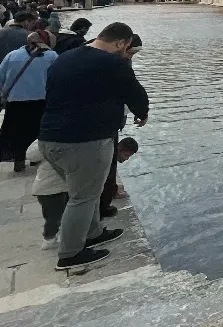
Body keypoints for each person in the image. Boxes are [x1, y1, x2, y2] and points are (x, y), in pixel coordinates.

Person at [39, 22, 149, 271]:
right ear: (121, 43)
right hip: (83, 142)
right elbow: (135, 94)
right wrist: (142, 114)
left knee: (83, 193)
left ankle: (94, 232)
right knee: (83, 197)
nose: (126, 52)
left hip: (49, 139)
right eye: (126, 47)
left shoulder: (65, 58)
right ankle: (70, 254)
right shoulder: (112, 63)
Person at [34, 137, 139, 252]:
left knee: (62, 213)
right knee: (56, 216)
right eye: (127, 156)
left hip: (62, 186)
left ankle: (65, 240)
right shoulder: (66, 147)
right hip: (51, 189)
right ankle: (60, 245)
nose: (127, 159)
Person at [0, 31, 58, 172]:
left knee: (17, 131)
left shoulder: (12, 55)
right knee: (39, 130)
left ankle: (19, 159)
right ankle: (38, 158)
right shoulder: (52, 56)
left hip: (16, 101)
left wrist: (6, 90)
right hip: (42, 100)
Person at [0, 11, 40, 151]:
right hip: (21, 79)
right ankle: (14, 144)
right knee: (18, 110)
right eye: (32, 23)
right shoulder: (30, 38)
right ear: (26, 22)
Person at [100, 35, 141, 218]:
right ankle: (108, 194)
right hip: (108, 117)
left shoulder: (117, 62)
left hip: (115, 114)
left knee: (109, 155)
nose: (132, 57)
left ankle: (110, 191)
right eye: (131, 52)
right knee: (108, 155)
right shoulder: (115, 64)